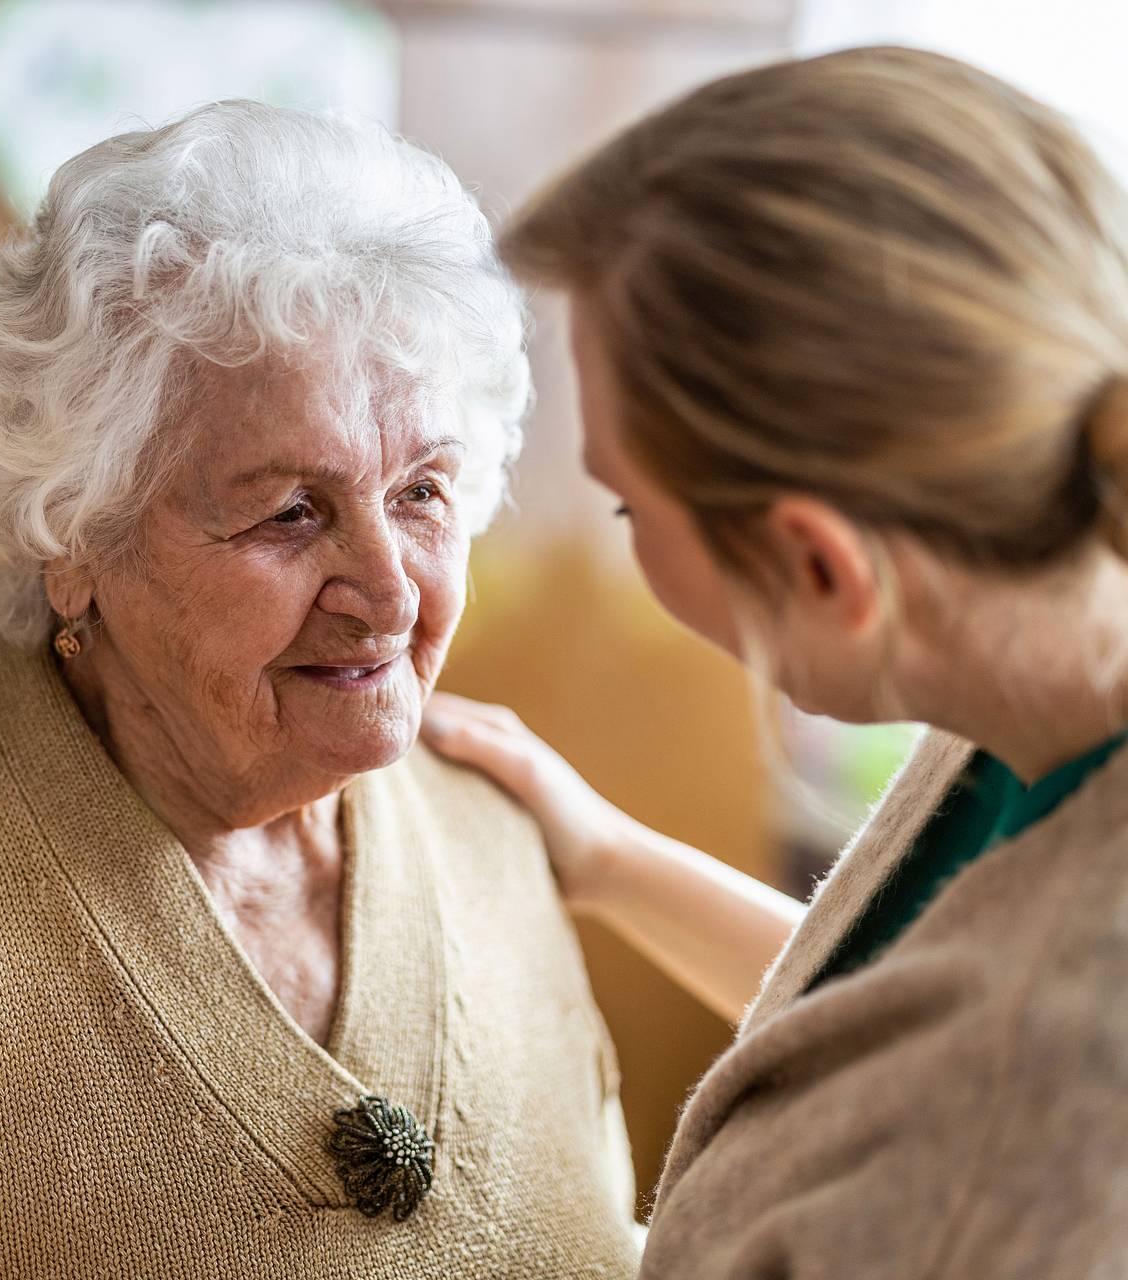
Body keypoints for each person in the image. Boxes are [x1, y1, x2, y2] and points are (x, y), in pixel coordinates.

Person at [0, 102, 640, 1279]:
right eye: (289, 512)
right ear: (71, 535)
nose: (388, 592)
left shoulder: (493, 832)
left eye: (422, 490)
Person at [423, 45, 1128, 1276]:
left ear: (818, 566)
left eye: (628, 509)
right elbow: (896, 1026)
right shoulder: (1038, 663)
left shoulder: (1041, 1123)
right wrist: (607, 859)